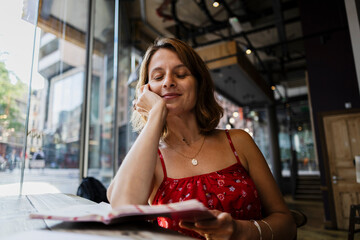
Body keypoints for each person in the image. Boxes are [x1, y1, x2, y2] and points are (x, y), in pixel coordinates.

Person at [107, 38, 296, 240]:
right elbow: (121, 209)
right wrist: (156, 114)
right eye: (158, 76)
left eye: (181, 74)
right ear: (146, 90)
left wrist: (240, 230)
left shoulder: (239, 142)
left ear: (199, 84)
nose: (168, 81)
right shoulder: (149, 159)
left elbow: (287, 223)